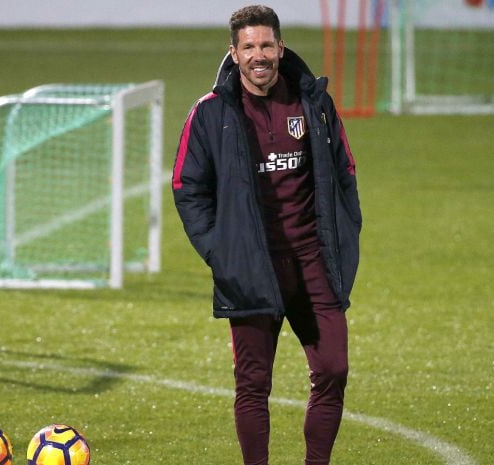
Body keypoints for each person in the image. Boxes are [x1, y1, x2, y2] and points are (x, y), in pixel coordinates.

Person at [171, 5, 362, 465]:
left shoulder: (313, 102)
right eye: (249, 46)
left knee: (333, 370)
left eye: (267, 45)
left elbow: (345, 170)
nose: (260, 55)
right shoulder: (210, 113)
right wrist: (222, 253)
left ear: (281, 47)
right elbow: (186, 186)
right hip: (253, 268)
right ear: (234, 54)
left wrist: (342, 236)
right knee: (254, 384)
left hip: (314, 261)